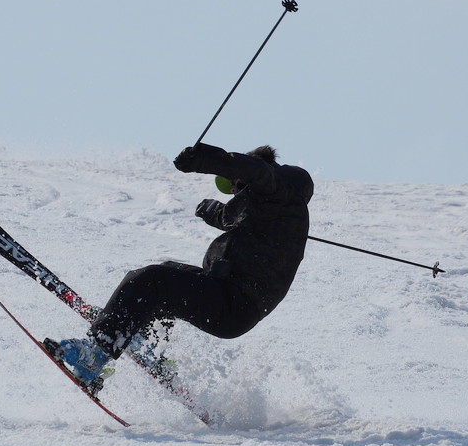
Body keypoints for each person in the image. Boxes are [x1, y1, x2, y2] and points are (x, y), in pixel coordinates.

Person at [44, 143, 314, 388]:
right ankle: (143, 339)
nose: (233, 191)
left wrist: (202, 160)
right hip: (232, 298)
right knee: (167, 271)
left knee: (151, 279)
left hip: (235, 304)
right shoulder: (279, 209)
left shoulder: (276, 189)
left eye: (235, 185)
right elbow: (236, 216)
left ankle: (95, 353)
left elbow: (252, 171)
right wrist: (211, 210)